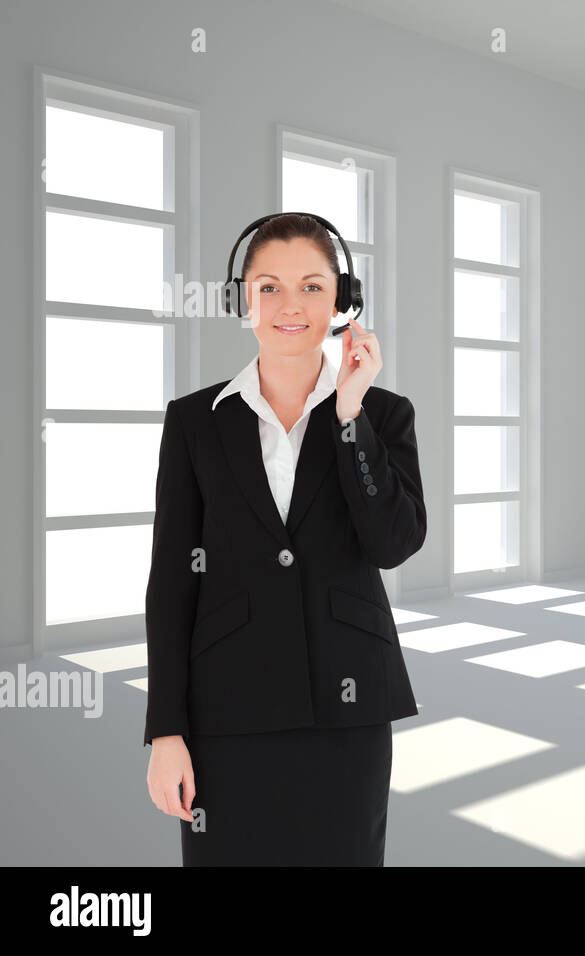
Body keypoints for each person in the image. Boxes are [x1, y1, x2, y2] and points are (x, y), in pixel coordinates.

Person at [142, 213, 425, 865]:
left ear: (343, 300)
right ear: (240, 297)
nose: (290, 306)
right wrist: (166, 730)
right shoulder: (194, 421)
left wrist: (350, 416)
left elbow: (392, 543)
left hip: (347, 705)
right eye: (268, 287)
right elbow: (171, 581)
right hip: (225, 709)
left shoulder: (382, 413)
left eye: (312, 287)